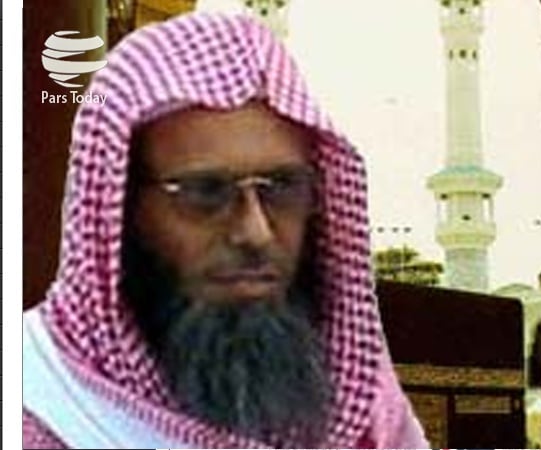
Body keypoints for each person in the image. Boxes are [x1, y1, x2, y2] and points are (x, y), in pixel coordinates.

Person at [22, 12, 429, 449]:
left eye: (282, 188)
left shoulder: (361, 397)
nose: (255, 233)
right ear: (121, 206)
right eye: (204, 192)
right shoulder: (40, 405)